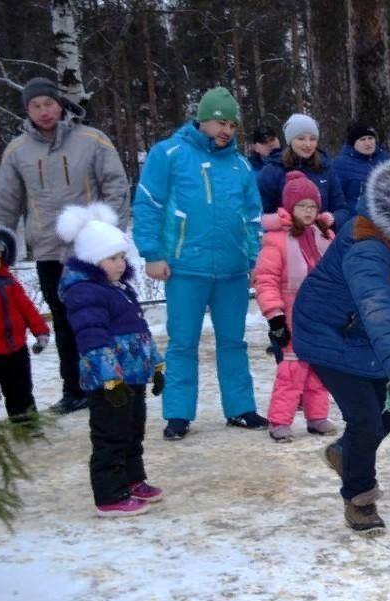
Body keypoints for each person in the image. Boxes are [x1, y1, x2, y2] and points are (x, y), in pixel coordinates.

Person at [291, 159, 390, 534]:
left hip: (362, 333)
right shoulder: (367, 245)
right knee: (365, 418)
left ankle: (344, 453)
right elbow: (376, 309)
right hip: (329, 332)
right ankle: (359, 497)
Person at [133, 86, 267, 440]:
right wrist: (152, 253)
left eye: (232, 125)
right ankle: (177, 414)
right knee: (182, 341)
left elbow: (252, 215)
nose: (226, 130)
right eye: (220, 122)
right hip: (183, 266)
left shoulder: (240, 164)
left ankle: (240, 408)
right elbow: (148, 204)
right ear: (202, 119)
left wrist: (255, 257)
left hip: (232, 269)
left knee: (233, 341)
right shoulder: (170, 153)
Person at [0, 76, 130, 414]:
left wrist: (109, 237)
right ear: (27, 110)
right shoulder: (17, 151)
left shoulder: (92, 140)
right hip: (50, 252)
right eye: (35, 106)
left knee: (103, 318)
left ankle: (115, 382)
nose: (44, 111)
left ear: (60, 104)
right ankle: (75, 388)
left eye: (48, 103)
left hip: (92, 253)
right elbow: (6, 202)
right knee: (66, 321)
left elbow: (116, 186)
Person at [55, 203, 164, 518]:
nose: (120, 264)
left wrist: (155, 365)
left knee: (133, 430)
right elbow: (92, 338)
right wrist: (109, 379)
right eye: (112, 258)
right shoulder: (85, 293)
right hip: (109, 381)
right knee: (110, 436)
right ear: (92, 259)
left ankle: (132, 480)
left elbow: (139, 331)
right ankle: (109, 494)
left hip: (131, 376)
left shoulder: (118, 288)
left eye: (121, 257)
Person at [253, 171, 337, 442]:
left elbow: (338, 274)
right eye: (302, 206)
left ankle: (316, 416)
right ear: (290, 207)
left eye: (313, 206)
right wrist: (275, 317)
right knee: (292, 369)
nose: (309, 211)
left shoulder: (325, 235)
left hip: (322, 313)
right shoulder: (277, 239)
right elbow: (266, 280)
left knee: (319, 367)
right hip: (292, 312)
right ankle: (280, 420)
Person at [0, 226, 48, 423]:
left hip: (16, 350)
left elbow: (27, 309)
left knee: (21, 392)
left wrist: (41, 332)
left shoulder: (9, 281)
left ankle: (27, 427)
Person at [257, 113, 350, 228]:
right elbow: (262, 214)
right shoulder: (272, 171)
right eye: (301, 138)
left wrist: (332, 219)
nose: (308, 144)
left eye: (312, 139)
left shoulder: (325, 168)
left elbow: (342, 209)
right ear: (290, 141)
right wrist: (281, 220)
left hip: (322, 238)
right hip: (286, 239)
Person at [333, 120, 390, 214]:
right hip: (355, 218)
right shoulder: (341, 164)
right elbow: (336, 199)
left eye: (370, 138)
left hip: (385, 218)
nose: (368, 143)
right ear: (353, 143)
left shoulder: (386, 159)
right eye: (362, 139)